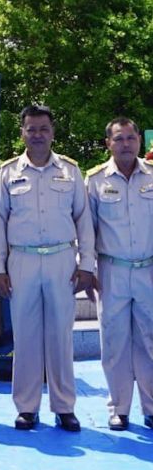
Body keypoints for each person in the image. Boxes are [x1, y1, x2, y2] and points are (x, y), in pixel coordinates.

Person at [0, 104, 95, 431]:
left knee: (61, 336)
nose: (37, 135)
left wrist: (86, 264)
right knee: (26, 337)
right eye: (31, 129)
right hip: (21, 260)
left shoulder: (70, 171)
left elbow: (84, 220)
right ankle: (27, 407)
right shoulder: (7, 173)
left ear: (53, 132)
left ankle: (64, 407)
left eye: (43, 129)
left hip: (62, 260)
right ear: (22, 131)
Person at [85, 116, 153, 431]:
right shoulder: (95, 181)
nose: (126, 144)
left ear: (139, 140)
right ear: (108, 143)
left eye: (131, 138)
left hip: (148, 270)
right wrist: (86, 269)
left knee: (150, 341)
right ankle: (119, 408)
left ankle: (151, 408)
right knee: (114, 343)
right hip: (111, 270)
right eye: (119, 139)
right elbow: (87, 230)